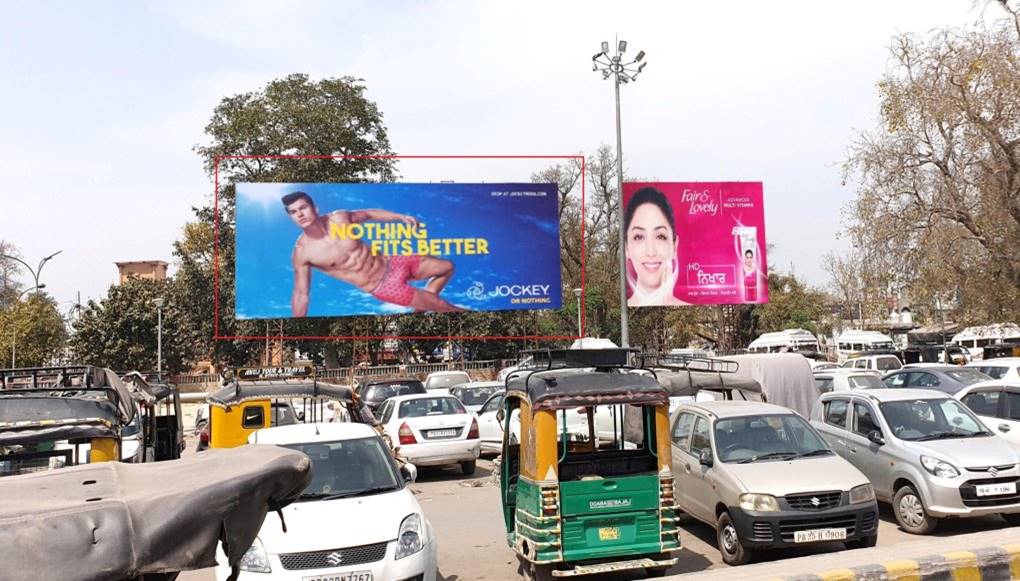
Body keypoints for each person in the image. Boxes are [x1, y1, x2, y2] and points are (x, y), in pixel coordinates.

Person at [283, 191, 462, 315]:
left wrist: (399, 217)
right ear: (290, 217)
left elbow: (368, 214)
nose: (299, 214)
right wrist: (295, 329)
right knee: (445, 307)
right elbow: (301, 294)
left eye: (303, 208)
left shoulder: (339, 218)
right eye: (293, 212)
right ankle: (428, 303)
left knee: (447, 267)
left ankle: (420, 307)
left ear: (315, 209)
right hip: (383, 286)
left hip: (394, 262)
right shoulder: (302, 252)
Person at [624, 187, 687, 306]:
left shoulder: (690, 311)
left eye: (660, 237)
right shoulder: (620, 315)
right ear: (627, 248)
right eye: (639, 237)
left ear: (674, 246)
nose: (651, 252)